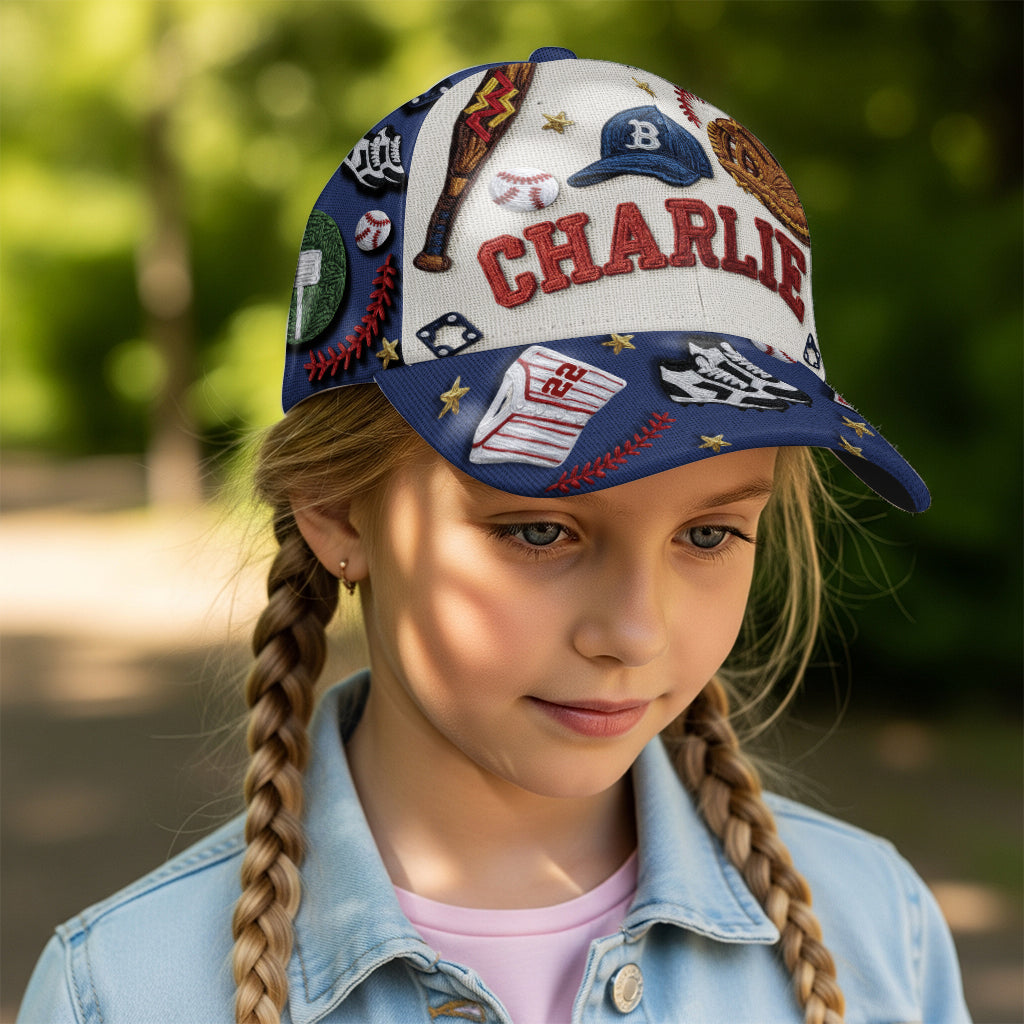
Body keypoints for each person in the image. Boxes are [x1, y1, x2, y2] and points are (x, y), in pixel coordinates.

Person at [18, 47, 970, 1024]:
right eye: (541, 528)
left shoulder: (877, 933)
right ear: (335, 508)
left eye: (709, 535)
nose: (633, 631)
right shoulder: (121, 992)